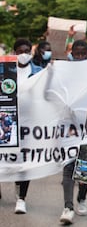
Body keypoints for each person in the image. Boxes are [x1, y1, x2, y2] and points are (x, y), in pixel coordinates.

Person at [60, 40, 87, 224]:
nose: (79, 57)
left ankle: (82, 197)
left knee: (84, 167)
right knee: (69, 165)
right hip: (68, 127)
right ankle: (68, 206)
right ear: (72, 53)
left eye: (82, 54)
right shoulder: (65, 72)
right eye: (76, 54)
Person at [13, 38, 43, 214]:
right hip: (8, 122)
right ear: (14, 52)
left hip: (29, 123)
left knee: (26, 161)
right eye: (20, 51)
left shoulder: (39, 72)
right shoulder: (4, 70)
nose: (23, 54)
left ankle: (21, 199)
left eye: (27, 51)